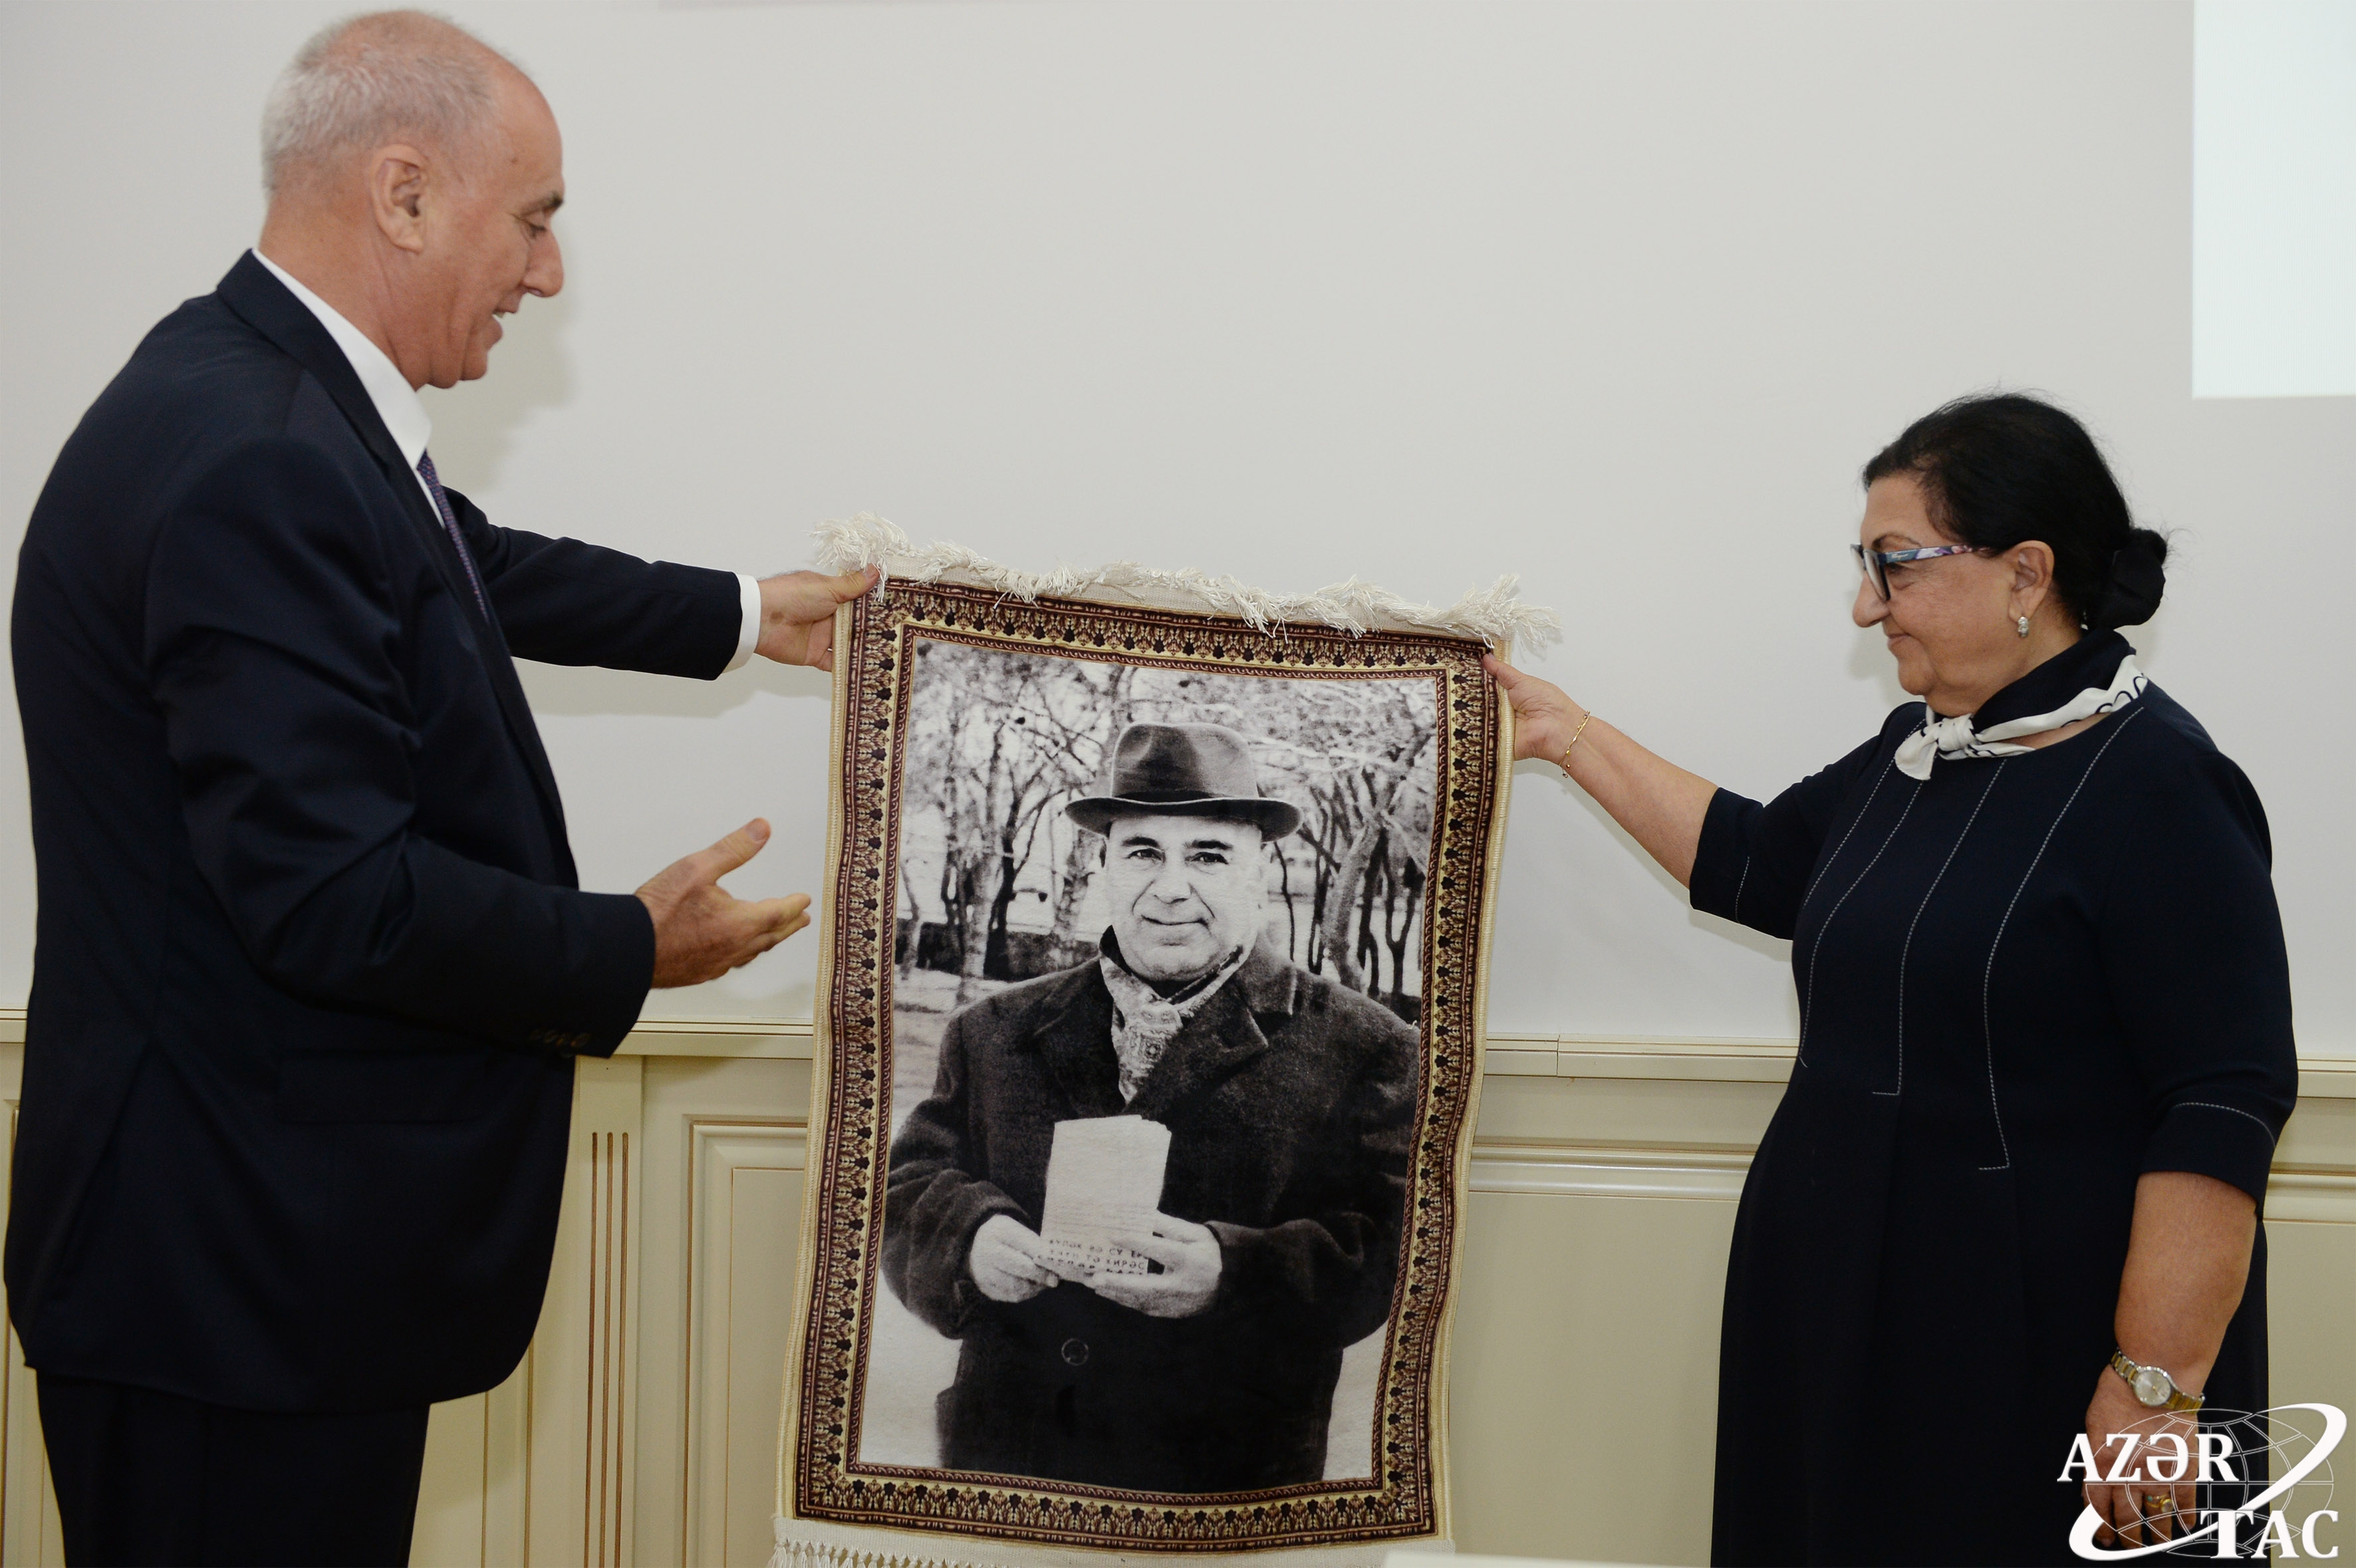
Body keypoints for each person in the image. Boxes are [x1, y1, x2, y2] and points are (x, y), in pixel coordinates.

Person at [8, 13, 872, 1564]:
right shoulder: (260, 452)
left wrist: (747, 612)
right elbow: (334, 898)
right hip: (231, 1283)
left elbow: (455, 561)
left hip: (246, 1259)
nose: (548, 274)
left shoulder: (251, 390)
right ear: (403, 195)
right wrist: (630, 945)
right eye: (532, 221)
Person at [1487, 393, 2297, 1567]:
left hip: (2035, 1341)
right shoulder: (1924, 749)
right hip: (1849, 1306)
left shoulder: (2161, 787)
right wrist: (1565, 733)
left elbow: (2219, 1098)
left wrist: (2151, 1387)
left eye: (1894, 565)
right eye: (1865, 568)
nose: (1866, 606)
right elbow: (1761, 861)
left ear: (2024, 572)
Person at [882, 721, 1417, 1492]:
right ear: (1103, 865)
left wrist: (1235, 1274)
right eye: (1142, 852)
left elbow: (1398, 1250)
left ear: (1259, 871)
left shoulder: (1368, 1046)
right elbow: (907, 1190)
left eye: (1208, 855)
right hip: (1012, 1463)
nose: (1171, 887)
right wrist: (970, 1239)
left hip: (1222, 1481)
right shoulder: (990, 1032)